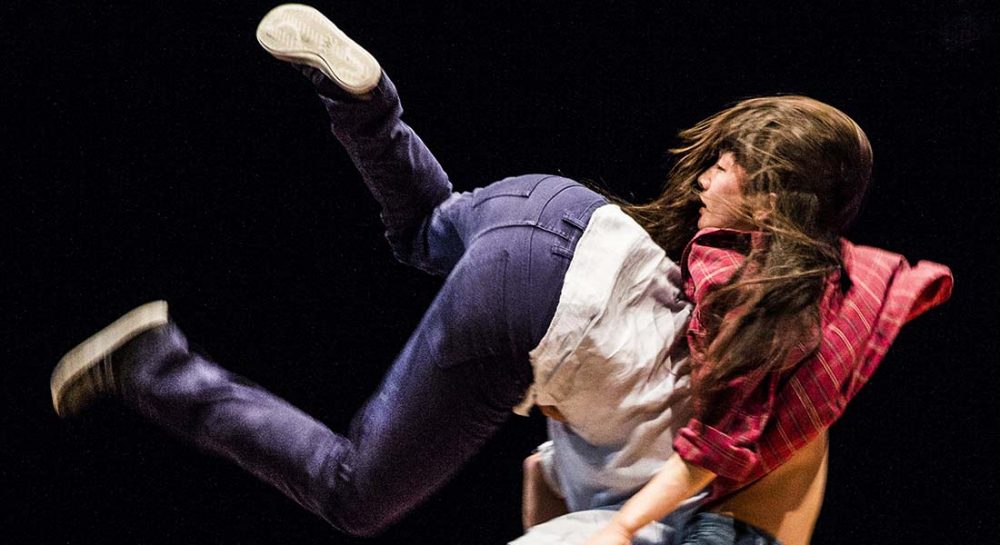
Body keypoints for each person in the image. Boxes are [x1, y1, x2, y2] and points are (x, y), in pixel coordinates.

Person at [50, 4, 952, 544]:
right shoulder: (754, 325)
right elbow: (719, 449)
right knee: (355, 494)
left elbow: (549, 481)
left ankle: (363, 102)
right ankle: (153, 364)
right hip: (550, 309)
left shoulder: (746, 285)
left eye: (732, 168)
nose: (710, 173)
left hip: (559, 212)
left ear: (773, 200)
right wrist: (633, 524)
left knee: (422, 236)